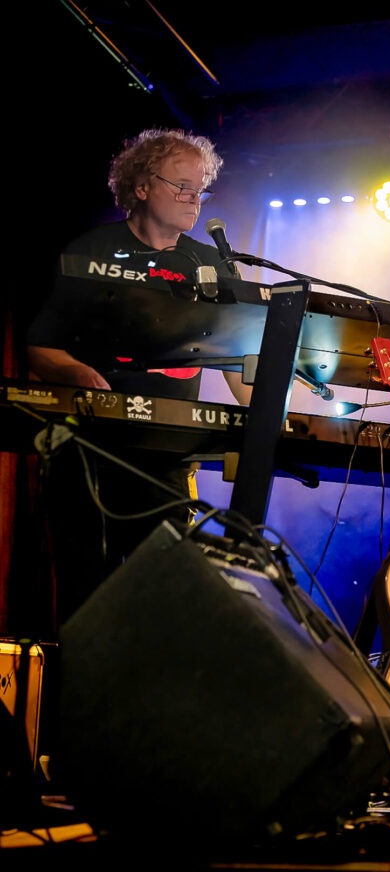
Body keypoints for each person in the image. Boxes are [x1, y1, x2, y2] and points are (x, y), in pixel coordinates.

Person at [26, 128, 252, 631]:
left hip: (167, 460)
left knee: (163, 608)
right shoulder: (90, 251)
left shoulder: (208, 262)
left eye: (200, 188)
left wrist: (283, 403)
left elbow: (240, 360)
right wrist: (76, 373)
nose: (194, 198)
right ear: (143, 186)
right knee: (86, 608)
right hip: (89, 455)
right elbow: (40, 345)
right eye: (181, 185)